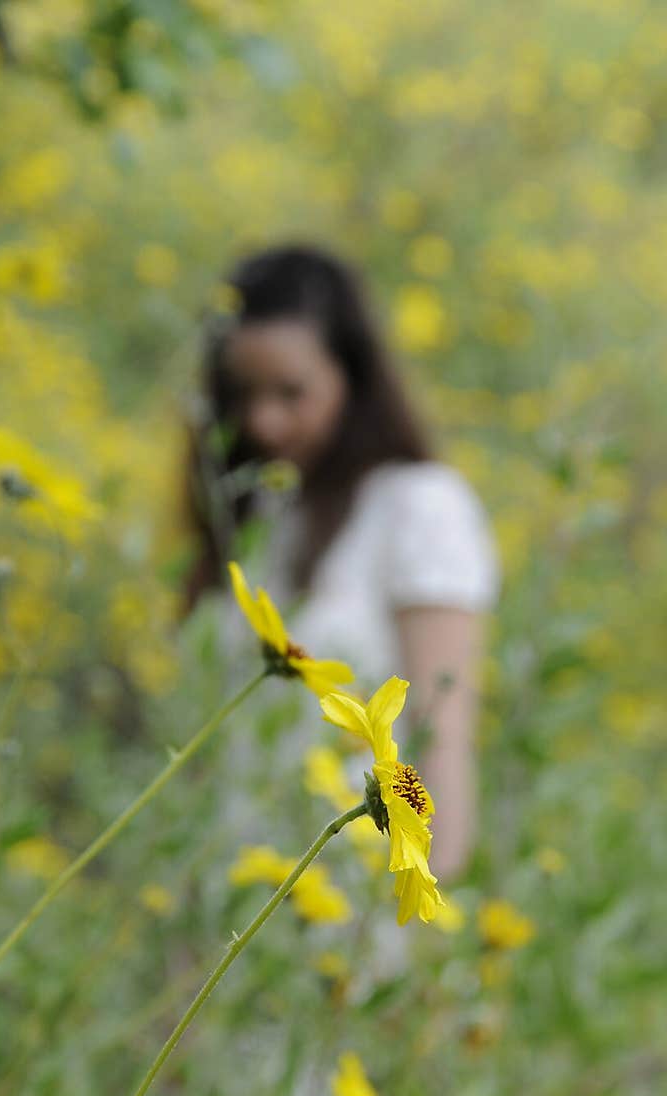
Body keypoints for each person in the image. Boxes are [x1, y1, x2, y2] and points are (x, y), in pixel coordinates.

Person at [181, 243, 499, 884]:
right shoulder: (256, 513)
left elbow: (440, 746)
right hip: (231, 901)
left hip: (353, 902)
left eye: (291, 393)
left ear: (352, 377)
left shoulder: (419, 506)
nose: (263, 421)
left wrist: (429, 907)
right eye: (241, 395)